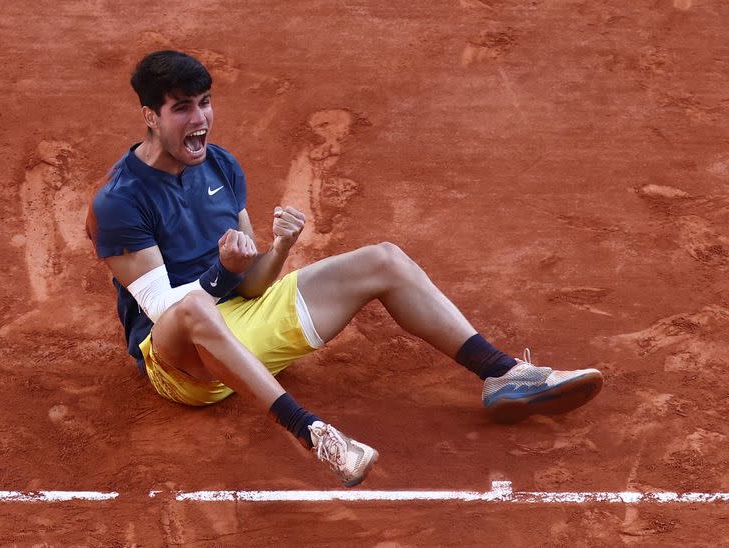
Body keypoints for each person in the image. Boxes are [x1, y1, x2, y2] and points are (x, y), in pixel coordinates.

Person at [86, 50, 603, 488]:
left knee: (384, 259)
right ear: (150, 116)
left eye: (205, 103)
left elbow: (254, 284)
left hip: (241, 323)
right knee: (198, 304)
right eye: (182, 109)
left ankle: (504, 374)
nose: (199, 120)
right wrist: (223, 273)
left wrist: (281, 248)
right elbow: (167, 312)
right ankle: (316, 434)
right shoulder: (118, 203)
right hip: (183, 366)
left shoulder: (221, 165)